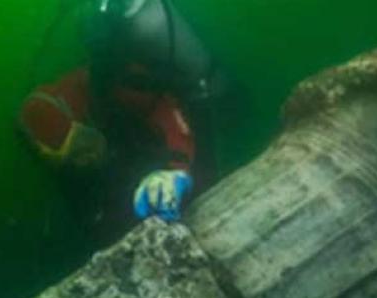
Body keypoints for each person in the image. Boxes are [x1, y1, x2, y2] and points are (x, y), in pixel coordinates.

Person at [18, 0, 239, 246]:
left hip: (168, 152)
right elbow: (35, 106)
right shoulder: (81, 88)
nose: (87, 155)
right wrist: (67, 140)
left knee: (201, 187)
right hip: (118, 179)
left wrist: (175, 173)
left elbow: (170, 119)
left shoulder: (130, 83)